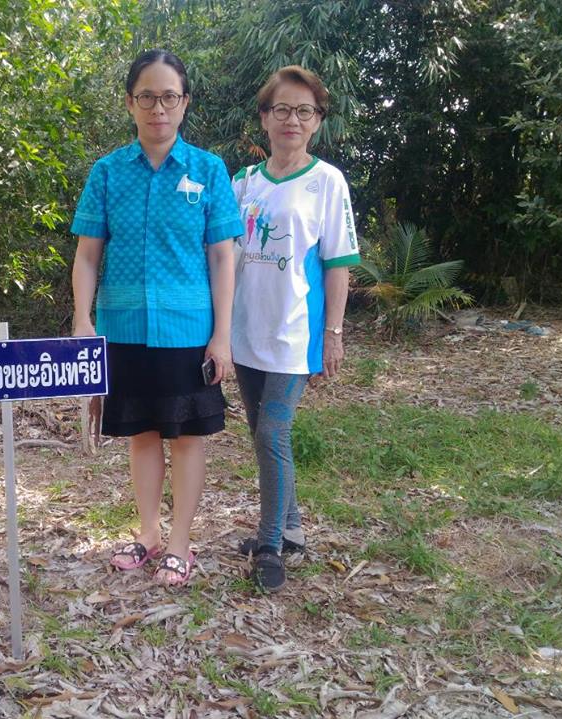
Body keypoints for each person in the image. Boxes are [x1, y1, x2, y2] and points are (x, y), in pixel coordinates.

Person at [71, 49, 243, 587]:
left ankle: (180, 543)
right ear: (130, 103)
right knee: (142, 434)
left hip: (187, 331)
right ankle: (148, 534)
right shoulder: (107, 172)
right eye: (147, 97)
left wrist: (222, 336)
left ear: (185, 103)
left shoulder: (208, 170)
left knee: (187, 437)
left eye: (169, 97)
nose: (158, 108)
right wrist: (82, 320)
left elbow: (223, 257)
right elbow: (87, 255)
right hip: (122, 328)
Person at [231, 65, 360, 592]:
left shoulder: (327, 182)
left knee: (272, 432)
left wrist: (334, 333)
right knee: (260, 433)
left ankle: (270, 545)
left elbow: (338, 265)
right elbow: (225, 257)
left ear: (318, 121)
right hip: (244, 331)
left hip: (295, 334)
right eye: (281, 109)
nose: (292, 119)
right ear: (264, 118)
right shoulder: (243, 182)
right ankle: (293, 529)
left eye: (304, 111)